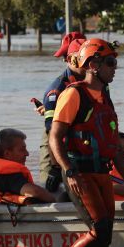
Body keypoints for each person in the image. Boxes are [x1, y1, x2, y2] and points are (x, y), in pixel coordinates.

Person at [48, 38, 124, 247]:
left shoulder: (105, 98)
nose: (115, 69)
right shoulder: (73, 95)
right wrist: (69, 171)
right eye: (111, 63)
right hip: (79, 173)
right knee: (100, 229)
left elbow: (115, 149)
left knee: (105, 238)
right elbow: (54, 137)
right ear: (93, 65)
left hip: (101, 172)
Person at [36, 32, 88, 192]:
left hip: (80, 140)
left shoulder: (95, 82)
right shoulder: (57, 89)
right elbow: (52, 132)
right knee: (51, 186)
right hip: (57, 138)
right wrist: (56, 168)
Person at [0, 128, 55, 205]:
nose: (27, 153)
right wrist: (54, 200)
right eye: (22, 149)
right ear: (7, 153)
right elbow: (34, 192)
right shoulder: (9, 173)